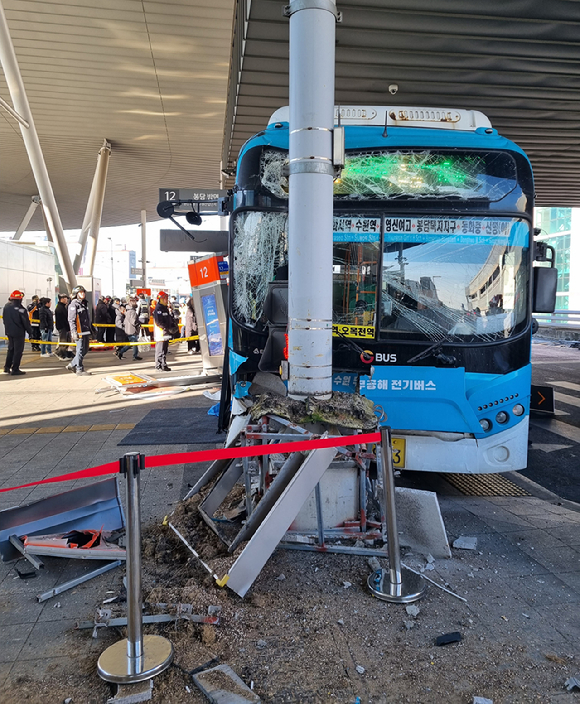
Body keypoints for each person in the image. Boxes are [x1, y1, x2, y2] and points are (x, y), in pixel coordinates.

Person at [2, 290, 32, 375]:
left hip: (9, 331)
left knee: (11, 349)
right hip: (18, 332)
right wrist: (30, 333)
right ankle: (15, 369)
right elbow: (25, 322)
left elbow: (4, 320)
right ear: (20, 299)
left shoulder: (6, 307)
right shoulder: (21, 309)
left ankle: (7, 367)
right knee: (18, 351)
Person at [67, 285, 93, 376]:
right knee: (80, 350)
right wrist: (74, 332)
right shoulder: (74, 304)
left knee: (85, 350)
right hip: (79, 332)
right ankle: (79, 369)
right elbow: (71, 320)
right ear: (76, 294)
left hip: (85, 331)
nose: (82, 294)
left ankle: (72, 364)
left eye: (83, 292)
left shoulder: (84, 303)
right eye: (80, 292)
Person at [153, 291, 173, 371]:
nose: (166, 300)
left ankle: (163, 364)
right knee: (160, 350)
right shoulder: (158, 309)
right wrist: (165, 328)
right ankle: (158, 365)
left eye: (167, 298)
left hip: (166, 333)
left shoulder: (165, 308)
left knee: (164, 350)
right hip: (160, 333)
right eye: (165, 298)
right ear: (160, 299)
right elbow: (158, 322)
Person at [54, 293, 73, 360]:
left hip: (64, 327)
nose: (66, 300)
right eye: (65, 299)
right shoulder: (59, 308)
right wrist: (67, 327)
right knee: (63, 341)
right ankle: (61, 354)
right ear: (61, 299)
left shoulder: (63, 307)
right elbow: (63, 320)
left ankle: (65, 353)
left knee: (67, 341)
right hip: (62, 328)